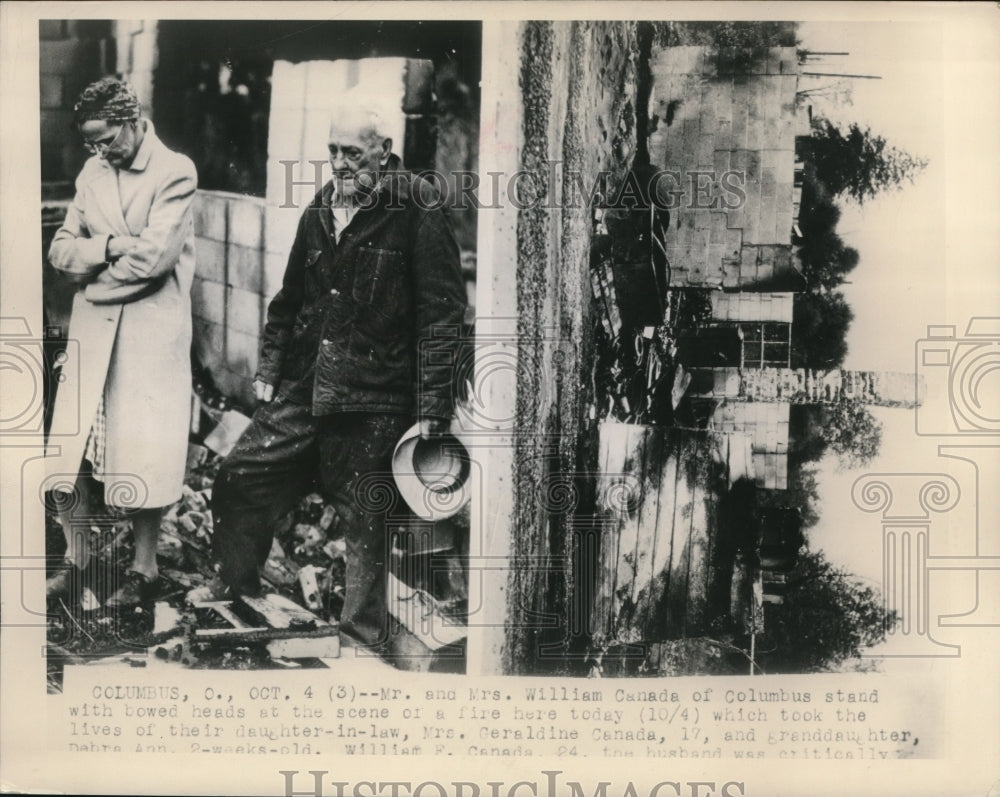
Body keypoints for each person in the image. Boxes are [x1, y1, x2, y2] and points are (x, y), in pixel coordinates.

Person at [207, 103, 466, 668]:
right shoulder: (321, 207)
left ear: (384, 148)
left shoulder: (417, 205)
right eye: (334, 152)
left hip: (376, 393)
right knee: (239, 475)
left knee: (364, 517)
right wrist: (269, 372)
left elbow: (443, 313)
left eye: (354, 152)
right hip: (306, 386)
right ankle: (240, 589)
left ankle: (360, 639)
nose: (342, 164)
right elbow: (288, 301)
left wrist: (432, 408)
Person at [46, 77, 197, 609]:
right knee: (74, 449)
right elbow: (60, 250)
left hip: (146, 337)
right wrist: (110, 245)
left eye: (107, 139)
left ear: (133, 121)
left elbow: (154, 264)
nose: (100, 151)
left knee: (142, 453)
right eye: (91, 143)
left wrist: (92, 282)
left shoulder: (174, 172)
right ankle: (77, 561)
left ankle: (144, 569)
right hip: (94, 336)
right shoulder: (92, 172)